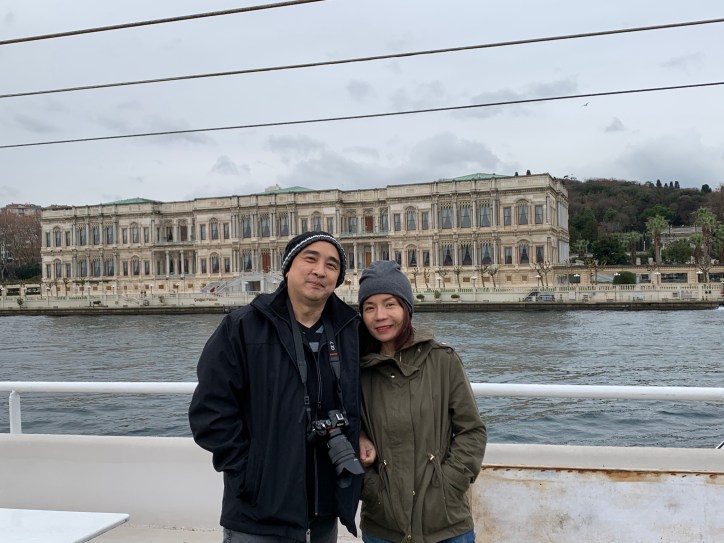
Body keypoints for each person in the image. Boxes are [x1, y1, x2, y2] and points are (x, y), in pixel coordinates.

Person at [189, 231, 366, 543]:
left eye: (332, 265)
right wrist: (251, 475)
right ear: (288, 267)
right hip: (258, 515)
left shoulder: (350, 331)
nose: (320, 271)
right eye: (310, 259)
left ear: (338, 278)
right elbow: (210, 413)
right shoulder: (242, 327)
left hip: (324, 510)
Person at [357, 260, 487, 543]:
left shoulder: (443, 360)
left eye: (390, 304)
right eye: (369, 307)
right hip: (382, 524)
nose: (380, 316)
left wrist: (447, 486)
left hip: (446, 524)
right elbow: (345, 427)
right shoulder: (357, 371)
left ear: (406, 307)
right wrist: (371, 487)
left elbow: (472, 431)